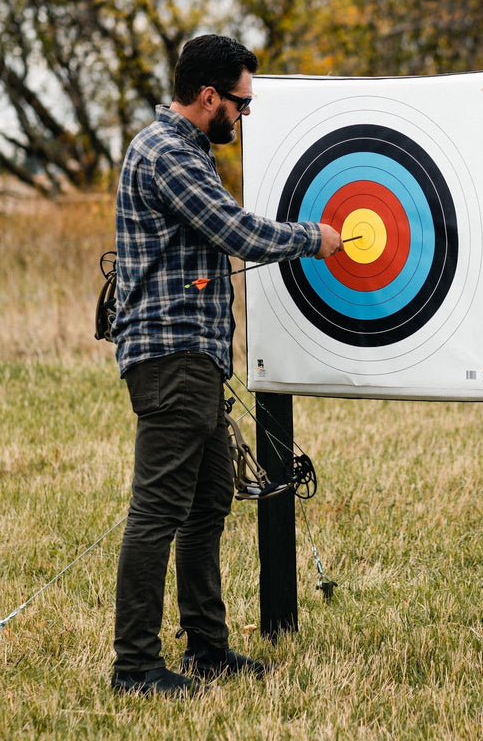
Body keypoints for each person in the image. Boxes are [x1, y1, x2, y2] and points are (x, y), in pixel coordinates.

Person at [109, 34, 343, 697]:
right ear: (207, 96)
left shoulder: (182, 151)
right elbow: (235, 231)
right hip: (173, 359)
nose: (241, 117)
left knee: (207, 504)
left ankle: (208, 650)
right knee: (157, 511)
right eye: (238, 104)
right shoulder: (167, 156)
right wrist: (312, 238)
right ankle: (135, 666)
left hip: (195, 360)